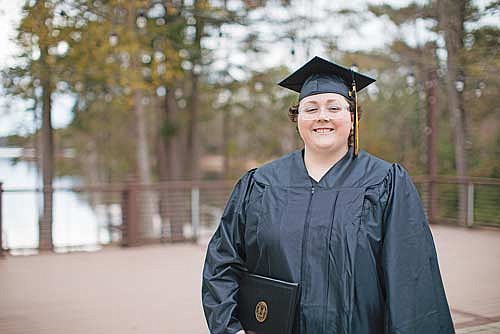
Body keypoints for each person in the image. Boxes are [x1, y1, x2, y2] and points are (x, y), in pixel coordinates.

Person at [201, 56, 455, 334]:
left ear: (353, 117)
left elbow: (412, 280)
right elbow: (223, 262)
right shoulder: (260, 184)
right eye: (311, 108)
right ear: (297, 118)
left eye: (334, 107)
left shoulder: (385, 183)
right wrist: (231, 329)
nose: (322, 116)